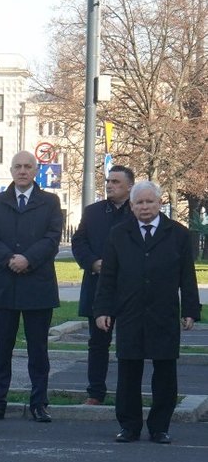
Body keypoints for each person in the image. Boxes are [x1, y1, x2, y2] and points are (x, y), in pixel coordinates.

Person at [94, 181, 201, 445]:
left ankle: (159, 427)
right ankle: (129, 427)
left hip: (163, 313)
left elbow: (187, 276)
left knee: (164, 373)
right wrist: (103, 310)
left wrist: (190, 310)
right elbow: (108, 277)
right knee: (129, 372)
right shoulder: (119, 234)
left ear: (160, 203)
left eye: (149, 202)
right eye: (139, 203)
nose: (144, 207)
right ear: (131, 206)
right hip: (130, 312)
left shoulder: (178, 234)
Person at [0, 151, 62, 423]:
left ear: (36, 170)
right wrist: (10, 259)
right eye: (18, 167)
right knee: (1, 350)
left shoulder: (49, 201)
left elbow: (52, 238)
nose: (23, 171)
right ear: (11, 170)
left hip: (38, 285)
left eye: (28, 166)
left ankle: (39, 403)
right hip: (4, 284)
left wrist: (29, 259)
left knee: (38, 351)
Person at [71, 165, 134, 406]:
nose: (109, 185)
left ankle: (127, 393)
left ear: (130, 186)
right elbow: (79, 242)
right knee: (98, 343)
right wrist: (92, 262)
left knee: (130, 344)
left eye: (116, 182)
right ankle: (95, 392)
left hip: (129, 288)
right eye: (108, 181)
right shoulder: (93, 212)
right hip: (97, 287)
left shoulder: (137, 210)